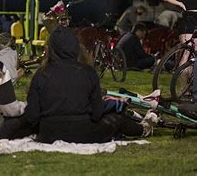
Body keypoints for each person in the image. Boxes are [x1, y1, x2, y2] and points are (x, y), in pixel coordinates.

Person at [25, 26, 157, 143]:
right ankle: (142, 129)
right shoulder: (87, 72)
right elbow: (97, 113)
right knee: (115, 119)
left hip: (49, 135)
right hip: (83, 133)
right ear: (76, 46)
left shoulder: (41, 74)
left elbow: (32, 115)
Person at [161, 0, 197, 101]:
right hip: (188, 20)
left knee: (192, 55)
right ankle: (183, 88)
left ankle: (189, 88)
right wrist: (180, 3)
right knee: (187, 53)